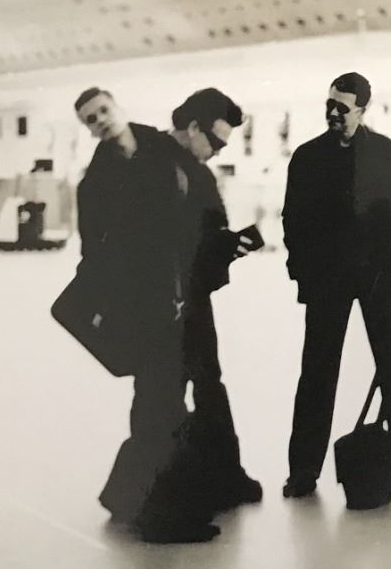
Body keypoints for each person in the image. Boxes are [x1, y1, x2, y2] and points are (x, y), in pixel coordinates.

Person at [72, 86, 216, 543]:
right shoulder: (95, 184)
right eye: (91, 119)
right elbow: (93, 250)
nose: (101, 120)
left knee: (158, 397)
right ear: (88, 129)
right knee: (163, 400)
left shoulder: (161, 149)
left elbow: (197, 200)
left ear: (118, 107)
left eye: (103, 110)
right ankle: (162, 514)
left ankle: (127, 496)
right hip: (141, 302)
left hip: (182, 289)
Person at [281, 72, 391, 500]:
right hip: (327, 279)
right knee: (317, 373)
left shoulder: (388, 154)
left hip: (379, 277)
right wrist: (302, 274)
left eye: (342, 107)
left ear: (363, 109)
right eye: (329, 104)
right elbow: (293, 220)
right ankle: (303, 472)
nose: (333, 113)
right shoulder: (307, 157)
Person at [165, 86, 264, 512]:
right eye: (216, 142)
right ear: (193, 127)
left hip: (191, 296)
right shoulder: (157, 165)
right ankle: (164, 488)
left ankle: (221, 475)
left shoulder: (196, 171)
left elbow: (204, 231)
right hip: (163, 298)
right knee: (169, 389)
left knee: (204, 383)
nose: (219, 151)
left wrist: (226, 244)